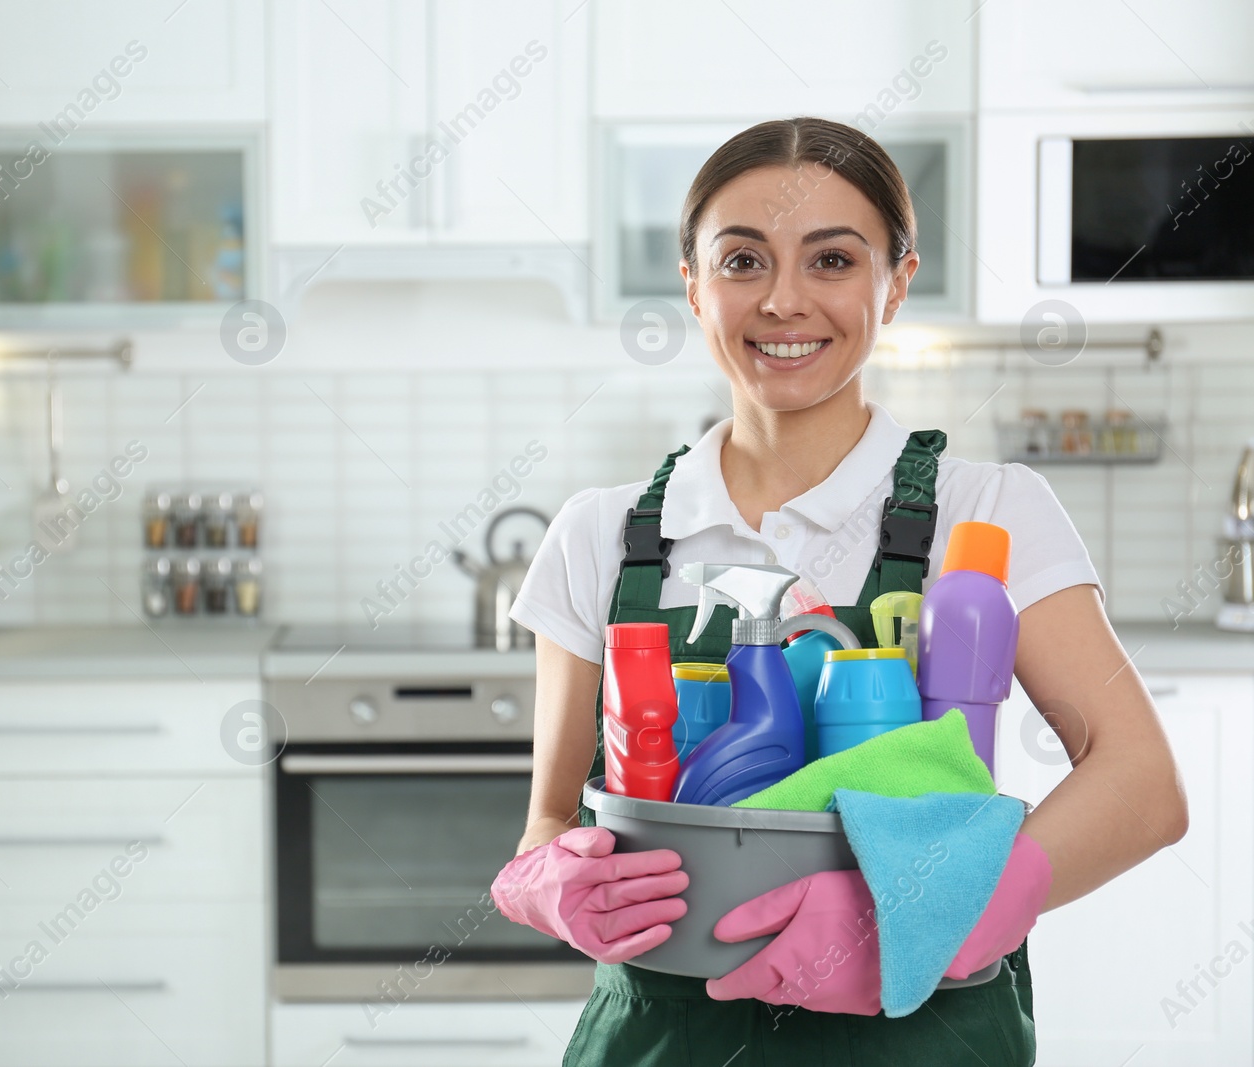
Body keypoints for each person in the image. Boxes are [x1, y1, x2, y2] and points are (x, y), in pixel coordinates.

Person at [489, 117, 1188, 1066]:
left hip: (921, 1031)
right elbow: (551, 821)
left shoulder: (987, 511)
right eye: (741, 260)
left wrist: (931, 910)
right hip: (664, 1036)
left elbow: (1142, 784)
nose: (783, 300)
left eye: (830, 259)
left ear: (895, 282)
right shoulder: (601, 536)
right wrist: (546, 882)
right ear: (692, 284)